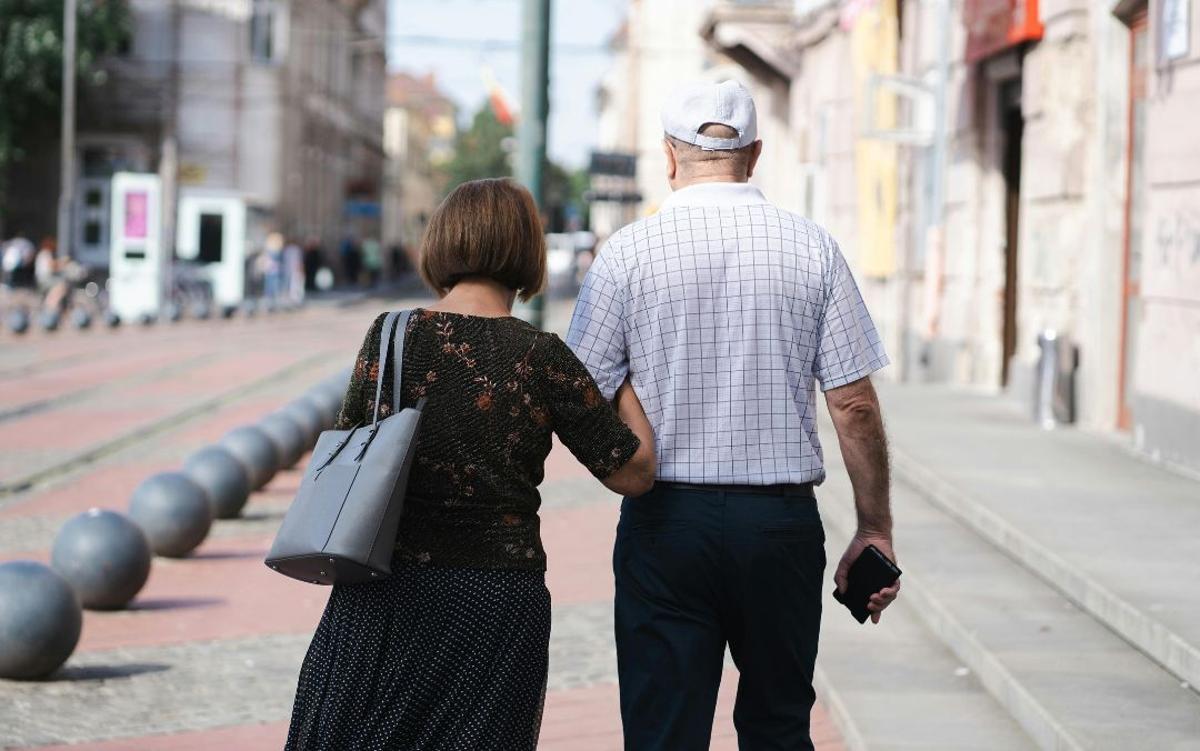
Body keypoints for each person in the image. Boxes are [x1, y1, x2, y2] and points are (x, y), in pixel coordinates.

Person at [567, 80, 900, 750]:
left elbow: (579, 392)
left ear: (669, 156)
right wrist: (874, 526)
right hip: (778, 526)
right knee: (779, 726)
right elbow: (854, 403)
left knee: (663, 732)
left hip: (665, 522)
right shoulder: (812, 248)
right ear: (754, 154)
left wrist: (634, 404)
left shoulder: (625, 255)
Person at [285, 178, 657, 751]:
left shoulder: (390, 336)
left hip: (383, 591)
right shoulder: (542, 355)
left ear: (443, 243)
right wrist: (626, 383)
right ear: (526, 253)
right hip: (495, 603)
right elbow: (633, 472)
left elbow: (348, 446)